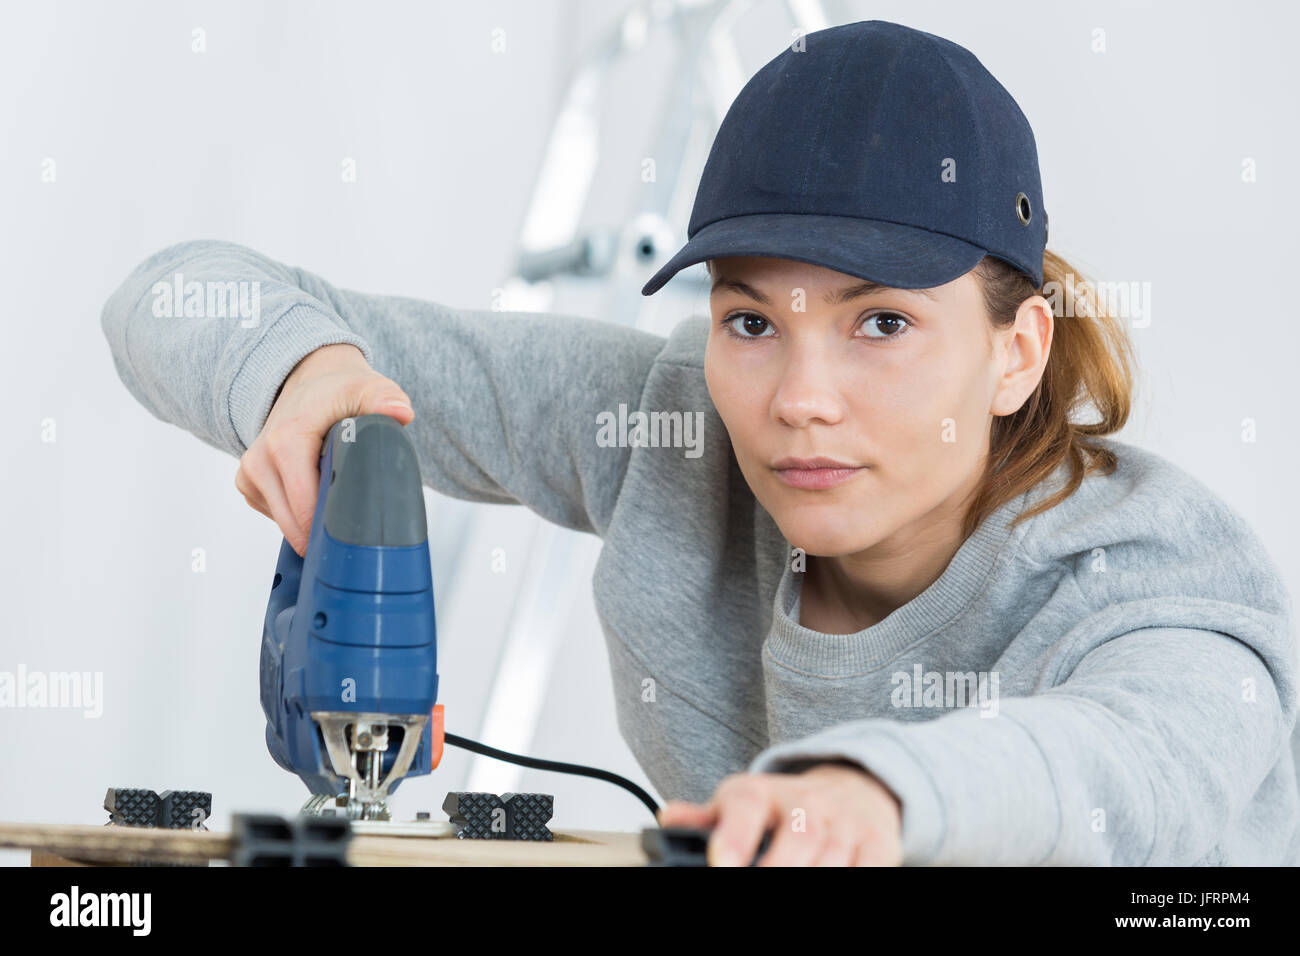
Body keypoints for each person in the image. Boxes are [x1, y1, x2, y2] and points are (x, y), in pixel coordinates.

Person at [101, 20, 1298, 866]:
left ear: (1017, 351)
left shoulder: (1158, 578)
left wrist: (874, 797)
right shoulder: (672, 428)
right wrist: (306, 375)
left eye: (881, 321)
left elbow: (1120, 769)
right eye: (748, 318)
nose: (798, 398)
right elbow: (174, 292)